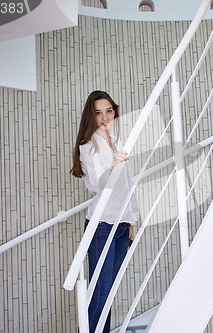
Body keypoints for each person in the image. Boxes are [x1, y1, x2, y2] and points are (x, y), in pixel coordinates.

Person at [70, 90, 139, 333]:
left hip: (121, 226)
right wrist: (114, 163)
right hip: (101, 227)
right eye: (98, 113)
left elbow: (127, 186)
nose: (105, 117)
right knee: (99, 296)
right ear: (91, 117)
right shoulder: (88, 146)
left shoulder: (119, 142)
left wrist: (130, 222)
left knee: (108, 294)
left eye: (109, 111)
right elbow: (100, 183)